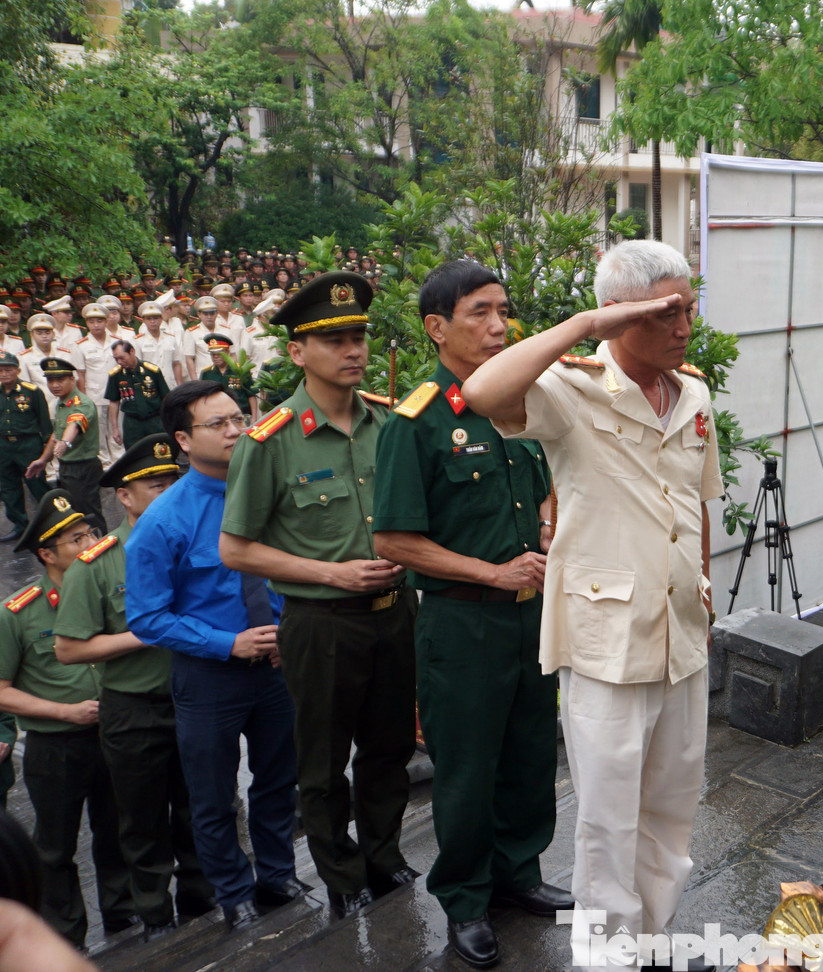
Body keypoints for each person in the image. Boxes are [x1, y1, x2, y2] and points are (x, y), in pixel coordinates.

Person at [464, 241, 723, 972]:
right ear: (619, 315)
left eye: (688, 310)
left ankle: (654, 941)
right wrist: (585, 324)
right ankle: (610, 959)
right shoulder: (571, 390)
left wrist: (704, 595)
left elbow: (698, 504)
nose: (684, 327)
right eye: (666, 313)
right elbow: (482, 392)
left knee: (672, 806)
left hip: (681, 634)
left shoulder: (693, 394)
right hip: (608, 639)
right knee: (609, 821)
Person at [372, 260, 569, 967]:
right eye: (479, 312)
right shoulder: (419, 421)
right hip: (462, 622)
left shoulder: (519, 403)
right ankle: (465, 900)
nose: (498, 325)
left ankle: (519, 874)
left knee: (529, 753)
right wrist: (493, 571)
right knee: (466, 768)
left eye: (503, 311)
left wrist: (546, 529)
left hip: (530, 617)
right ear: (437, 327)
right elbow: (393, 539)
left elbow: (544, 489)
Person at [220, 272, 418, 922]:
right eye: (334, 340)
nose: (353, 350)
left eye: (358, 336)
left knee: (390, 748)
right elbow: (236, 548)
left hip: (394, 615)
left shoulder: (388, 422)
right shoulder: (271, 440)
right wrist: (332, 574)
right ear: (298, 352)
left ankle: (384, 855)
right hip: (321, 622)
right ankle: (340, 872)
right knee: (324, 760)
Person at [123, 382, 306, 933]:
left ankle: (278, 875)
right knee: (212, 795)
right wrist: (227, 643)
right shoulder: (164, 520)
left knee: (278, 780)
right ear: (183, 440)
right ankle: (234, 892)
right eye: (217, 424)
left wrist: (286, 630)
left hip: (277, 666)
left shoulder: (270, 490)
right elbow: (147, 618)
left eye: (237, 419)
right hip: (209, 676)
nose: (234, 431)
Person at [52, 436, 216, 941]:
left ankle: (203, 899)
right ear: (124, 497)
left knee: (201, 809)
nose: (169, 492)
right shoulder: (99, 562)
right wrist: (150, 630)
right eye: (155, 486)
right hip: (135, 709)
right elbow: (69, 648)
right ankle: (155, 915)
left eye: (173, 482)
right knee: (142, 821)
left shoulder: (201, 538)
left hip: (197, 696)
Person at [0, 490, 138, 948]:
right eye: (76, 539)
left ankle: (122, 914)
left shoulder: (109, 591)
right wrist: (65, 711)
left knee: (116, 830)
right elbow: (1, 691)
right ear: (46, 554)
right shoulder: (18, 613)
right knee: (55, 846)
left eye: (91, 533)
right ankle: (66, 934)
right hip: (55, 746)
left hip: (113, 732)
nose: (90, 544)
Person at [25, 358, 104, 536]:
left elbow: (75, 424)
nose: (54, 385)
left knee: (88, 514)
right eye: (50, 380)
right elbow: (56, 435)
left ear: (72, 379)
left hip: (83, 468)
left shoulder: (81, 403)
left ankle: (101, 546)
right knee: (74, 514)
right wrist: (43, 460)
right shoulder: (62, 403)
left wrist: (65, 442)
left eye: (60, 380)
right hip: (68, 467)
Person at [0, 351, 52, 543]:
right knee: (9, 488)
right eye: (0, 370)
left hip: (28, 444)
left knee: (37, 484)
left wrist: (47, 447)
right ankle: (20, 526)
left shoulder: (32, 391)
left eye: (8, 369)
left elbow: (44, 422)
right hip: (4, 445)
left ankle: (53, 520)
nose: (4, 374)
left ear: (18, 370)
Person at [74, 305, 120, 468]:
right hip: (94, 393)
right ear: (86, 324)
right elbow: (80, 374)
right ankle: (104, 461)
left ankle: (119, 459)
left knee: (117, 426)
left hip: (116, 393)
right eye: (91, 322)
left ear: (106, 321)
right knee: (98, 430)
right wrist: (83, 397)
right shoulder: (80, 345)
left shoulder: (117, 341)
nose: (96, 325)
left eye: (99, 321)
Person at [105, 341, 170, 449]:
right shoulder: (116, 375)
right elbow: (114, 401)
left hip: (154, 420)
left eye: (122, 358)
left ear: (132, 351)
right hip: (132, 423)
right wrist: (115, 428)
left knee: (159, 452)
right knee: (134, 453)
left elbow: (165, 397)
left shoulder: (152, 371)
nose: (119, 362)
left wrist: (167, 421)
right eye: (116, 359)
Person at [199, 334, 255, 418]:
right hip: (217, 416)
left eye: (219, 353)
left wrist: (254, 417)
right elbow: (202, 398)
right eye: (213, 354)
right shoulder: (206, 373)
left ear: (228, 352)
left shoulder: (240, 370)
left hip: (241, 414)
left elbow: (251, 395)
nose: (216, 357)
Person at [134, 299, 186, 386]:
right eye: (148, 319)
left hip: (169, 383)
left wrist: (179, 385)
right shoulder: (138, 341)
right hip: (150, 384)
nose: (152, 321)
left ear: (161, 319)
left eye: (155, 318)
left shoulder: (171, 338)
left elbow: (176, 364)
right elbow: (137, 367)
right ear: (143, 321)